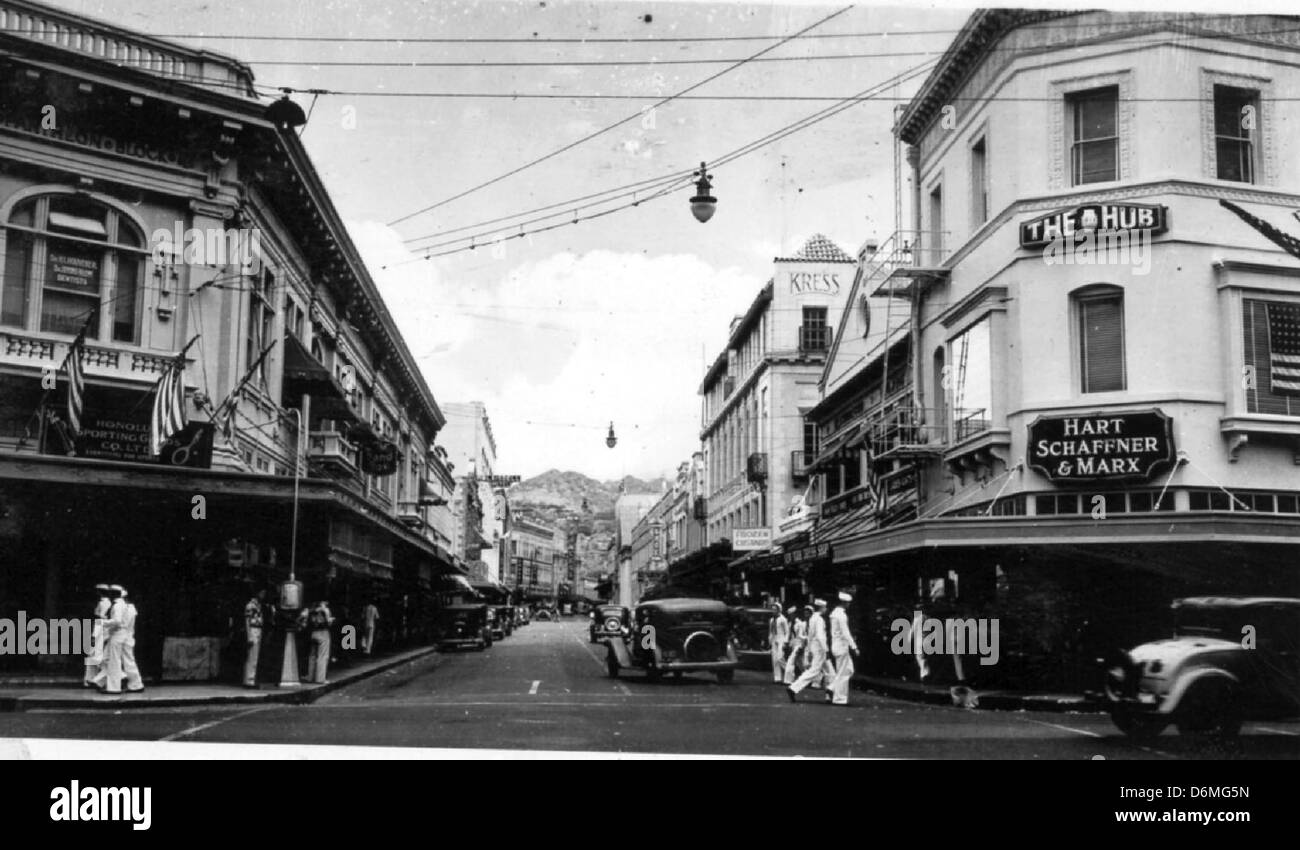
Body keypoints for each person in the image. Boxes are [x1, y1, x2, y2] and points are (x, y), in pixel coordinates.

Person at [787, 599, 829, 702]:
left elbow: (810, 636)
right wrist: (826, 649)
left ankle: (831, 692)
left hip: (815, 647)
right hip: (820, 648)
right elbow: (820, 636)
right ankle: (794, 688)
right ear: (822, 608)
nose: (826, 609)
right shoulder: (819, 619)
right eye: (825, 607)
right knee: (814, 671)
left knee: (829, 672)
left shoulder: (813, 619)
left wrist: (809, 650)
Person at [827, 592, 860, 706]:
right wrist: (854, 647)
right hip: (841, 646)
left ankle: (832, 688)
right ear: (845, 603)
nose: (849, 605)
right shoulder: (841, 615)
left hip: (836, 645)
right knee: (842, 673)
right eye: (848, 603)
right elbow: (846, 633)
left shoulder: (834, 614)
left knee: (849, 670)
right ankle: (839, 698)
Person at [83, 584, 111, 688]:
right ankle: (92, 679)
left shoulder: (103, 603)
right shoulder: (108, 602)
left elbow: (98, 616)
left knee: (95, 654)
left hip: (100, 628)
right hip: (101, 628)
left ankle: (92, 679)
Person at [302, 600, 334, 684]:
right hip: (323, 632)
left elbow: (305, 621)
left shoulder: (310, 610)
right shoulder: (325, 610)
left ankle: (310, 677)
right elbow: (328, 622)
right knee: (322, 656)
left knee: (312, 655)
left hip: (313, 633)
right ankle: (320, 678)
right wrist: (331, 620)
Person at [243, 589, 266, 688]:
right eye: (262, 593)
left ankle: (250, 679)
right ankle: (250, 680)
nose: (263, 595)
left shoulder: (258, 605)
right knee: (252, 656)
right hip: (253, 630)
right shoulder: (250, 605)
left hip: (257, 629)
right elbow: (247, 621)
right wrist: (249, 636)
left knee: (254, 656)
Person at [782, 606, 807, 685]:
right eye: (790, 615)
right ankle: (809, 678)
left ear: (795, 614)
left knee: (791, 661)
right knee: (801, 663)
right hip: (793, 644)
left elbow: (802, 636)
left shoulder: (800, 624)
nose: (791, 616)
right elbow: (789, 635)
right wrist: (787, 643)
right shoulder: (790, 623)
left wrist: (801, 646)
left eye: (792, 615)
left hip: (799, 644)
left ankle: (788, 680)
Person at [768, 602, 789, 683]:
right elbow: (771, 631)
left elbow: (787, 631)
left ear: (779, 610)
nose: (773, 611)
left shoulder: (783, 619)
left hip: (781, 639)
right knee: (774, 660)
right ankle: (777, 678)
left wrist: (785, 642)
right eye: (772, 609)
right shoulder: (771, 620)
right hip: (774, 639)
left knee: (780, 658)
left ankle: (789, 673)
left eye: (775, 609)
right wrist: (769, 640)